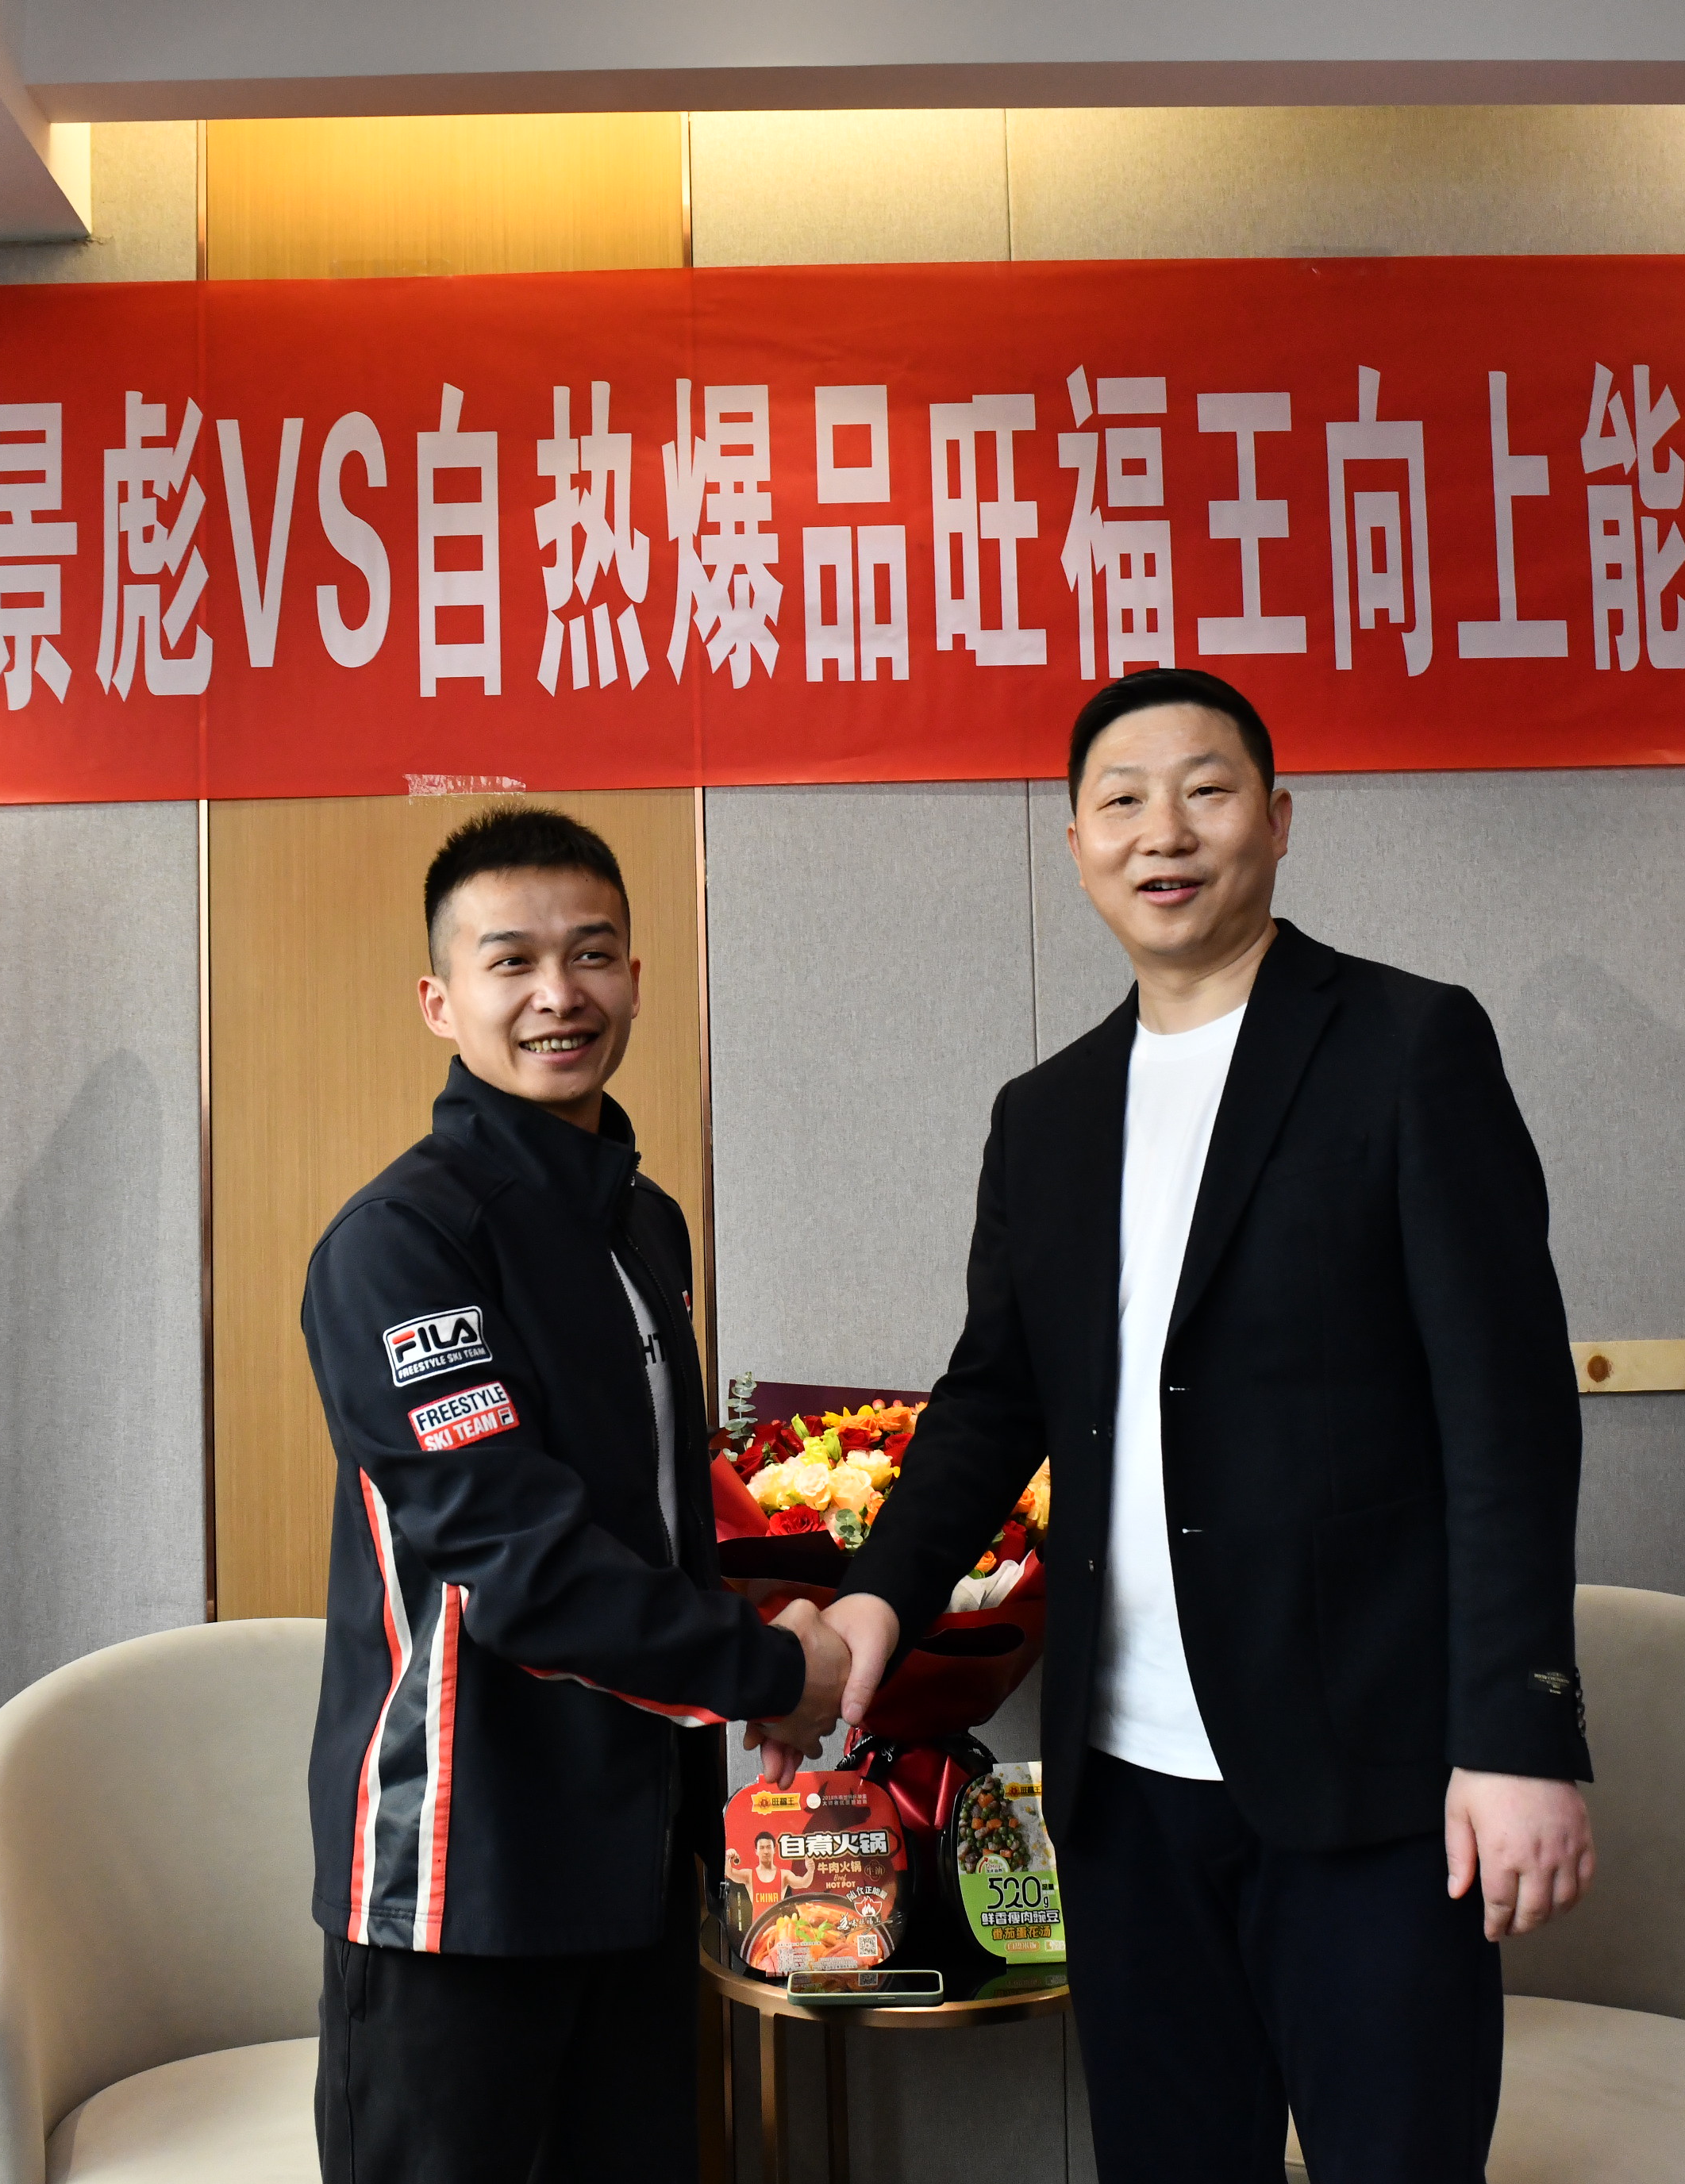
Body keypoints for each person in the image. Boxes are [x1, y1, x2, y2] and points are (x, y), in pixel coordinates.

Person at [805, 669, 1597, 2183]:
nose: (1161, 831)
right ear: (1075, 848)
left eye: (1205, 790)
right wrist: (871, 1602)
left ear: (1277, 820)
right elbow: (993, 1400)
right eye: (1120, 801)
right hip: (1125, 1789)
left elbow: (1506, 1414)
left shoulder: (1405, 1044)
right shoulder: (1043, 1114)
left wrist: (1518, 1733)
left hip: (1376, 1778)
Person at [298, 806, 846, 2184]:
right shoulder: (400, 1243)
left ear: (636, 980)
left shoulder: (642, 1223)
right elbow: (520, 1566)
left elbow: (654, 1522)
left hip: (640, 1861)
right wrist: (774, 1668)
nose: (560, 993)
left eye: (592, 954)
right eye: (512, 961)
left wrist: (822, 1592)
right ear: (442, 1000)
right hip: (462, 1876)